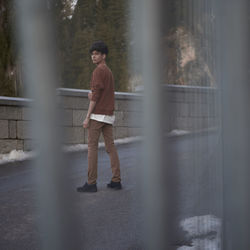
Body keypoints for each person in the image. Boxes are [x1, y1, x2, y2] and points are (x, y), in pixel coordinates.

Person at [77, 41, 122, 193]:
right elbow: (104, 93)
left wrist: (87, 117)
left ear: (104, 55)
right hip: (108, 115)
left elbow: (95, 96)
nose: (93, 57)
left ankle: (91, 183)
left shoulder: (98, 71)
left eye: (96, 54)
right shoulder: (108, 71)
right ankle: (116, 180)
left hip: (97, 116)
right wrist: (93, 95)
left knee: (92, 149)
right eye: (92, 54)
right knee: (111, 147)